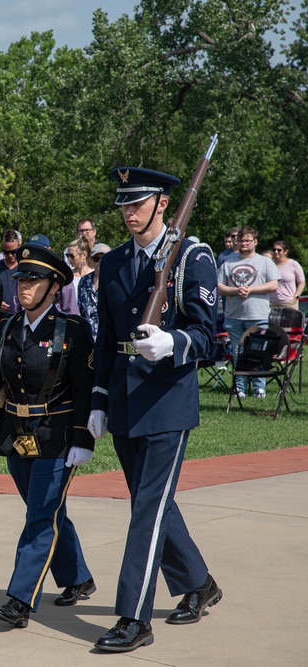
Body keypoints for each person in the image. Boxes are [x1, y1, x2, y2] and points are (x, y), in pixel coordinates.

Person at [89, 167, 222, 653]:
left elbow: (209, 336)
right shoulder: (116, 262)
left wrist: (174, 341)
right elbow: (106, 337)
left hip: (167, 399)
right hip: (124, 396)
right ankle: (199, 582)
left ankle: (133, 617)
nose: (128, 213)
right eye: (123, 204)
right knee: (154, 502)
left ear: (163, 204)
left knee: (147, 508)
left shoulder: (191, 256)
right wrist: (100, 399)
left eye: (138, 203)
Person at [0, 244, 96, 629]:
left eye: (33, 280)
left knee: (40, 516)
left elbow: (83, 389)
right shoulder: (9, 326)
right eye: (21, 279)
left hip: (58, 436)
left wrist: (83, 438)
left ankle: (19, 599)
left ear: (54, 286)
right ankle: (78, 577)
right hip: (17, 435)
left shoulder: (73, 330)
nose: (23, 287)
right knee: (48, 510)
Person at [217, 226, 280, 398]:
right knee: (238, 353)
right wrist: (236, 291)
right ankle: (240, 388)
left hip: (257, 314)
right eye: (241, 240)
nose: (244, 243)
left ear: (255, 242)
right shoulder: (228, 263)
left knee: (258, 351)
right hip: (234, 315)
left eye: (247, 240)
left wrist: (251, 290)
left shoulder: (265, 262)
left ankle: (260, 388)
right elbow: (219, 286)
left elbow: (273, 284)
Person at [77, 242, 110, 340]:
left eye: (104, 258)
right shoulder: (83, 281)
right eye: (96, 259)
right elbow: (81, 310)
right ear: (91, 261)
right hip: (88, 336)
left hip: (108, 336)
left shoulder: (115, 281)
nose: (100, 261)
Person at [0, 230, 23, 315]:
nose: (10, 255)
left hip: (22, 318)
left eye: (13, 252)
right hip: (1, 320)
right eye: (6, 252)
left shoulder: (25, 267)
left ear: (19, 246)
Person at [58, 237, 93, 316]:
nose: (69, 259)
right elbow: (59, 302)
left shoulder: (94, 275)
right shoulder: (67, 277)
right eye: (67, 255)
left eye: (72, 255)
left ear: (84, 255)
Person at [269, 240, 305, 309]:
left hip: (289, 302)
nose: (276, 252)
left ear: (285, 251)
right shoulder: (270, 264)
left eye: (279, 250)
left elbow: (302, 282)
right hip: (272, 303)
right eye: (274, 250)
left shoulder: (293, 264)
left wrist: (296, 296)